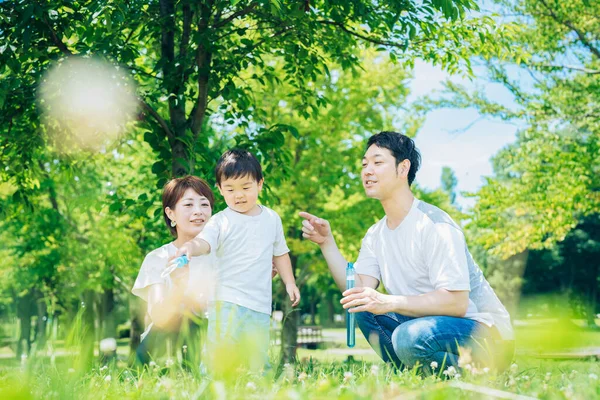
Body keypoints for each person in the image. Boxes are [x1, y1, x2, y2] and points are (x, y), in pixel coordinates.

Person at [300, 131, 514, 374]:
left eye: (378, 162)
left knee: (407, 335)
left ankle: (485, 376)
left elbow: (456, 302)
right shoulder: (375, 234)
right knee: (364, 308)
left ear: (403, 169)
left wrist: (389, 301)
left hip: (487, 335)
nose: (367, 171)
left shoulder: (435, 225)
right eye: (364, 164)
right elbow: (358, 291)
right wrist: (327, 243)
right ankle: (417, 376)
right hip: (426, 328)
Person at [171, 149, 300, 371]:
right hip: (225, 301)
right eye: (230, 189)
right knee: (218, 357)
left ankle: (259, 388)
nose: (238, 195)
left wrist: (289, 282)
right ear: (220, 190)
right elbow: (205, 243)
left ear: (260, 184)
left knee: (257, 357)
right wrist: (190, 247)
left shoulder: (272, 219)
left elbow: (280, 253)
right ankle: (210, 388)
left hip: (259, 304)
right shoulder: (220, 221)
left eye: (246, 188)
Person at [132, 175, 216, 370]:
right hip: (168, 352)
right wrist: (179, 287)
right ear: (171, 214)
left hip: (216, 345)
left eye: (204, 204)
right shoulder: (159, 258)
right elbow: (160, 317)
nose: (198, 212)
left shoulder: (224, 256)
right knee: (184, 312)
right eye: (188, 205)